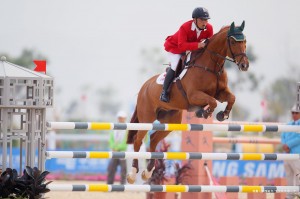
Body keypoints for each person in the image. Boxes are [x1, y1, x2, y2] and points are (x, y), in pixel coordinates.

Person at [160, 7, 214, 103]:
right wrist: (198, 45)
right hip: (175, 48)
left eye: (206, 20)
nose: (204, 22)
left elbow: (210, 44)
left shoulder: (209, 28)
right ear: (194, 19)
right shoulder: (185, 27)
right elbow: (181, 46)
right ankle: (164, 92)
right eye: (202, 19)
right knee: (175, 65)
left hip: (191, 49)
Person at [281, 104, 300, 199]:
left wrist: (287, 145)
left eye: (296, 113)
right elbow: (283, 135)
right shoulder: (288, 124)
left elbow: (299, 138)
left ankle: (297, 196)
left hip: (297, 154)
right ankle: (289, 196)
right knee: (289, 176)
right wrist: (284, 145)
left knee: (298, 177)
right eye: (293, 113)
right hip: (287, 154)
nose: (294, 115)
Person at [107, 111, 128, 184]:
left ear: (125, 118)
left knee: (123, 170)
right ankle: (109, 185)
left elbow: (126, 142)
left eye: (122, 118)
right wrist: (113, 147)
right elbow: (111, 140)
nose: (120, 119)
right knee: (111, 169)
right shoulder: (114, 128)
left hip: (123, 152)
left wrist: (117, 147)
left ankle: (122, 186)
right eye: (119, 118)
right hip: (114, 152)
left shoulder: (128, 129)